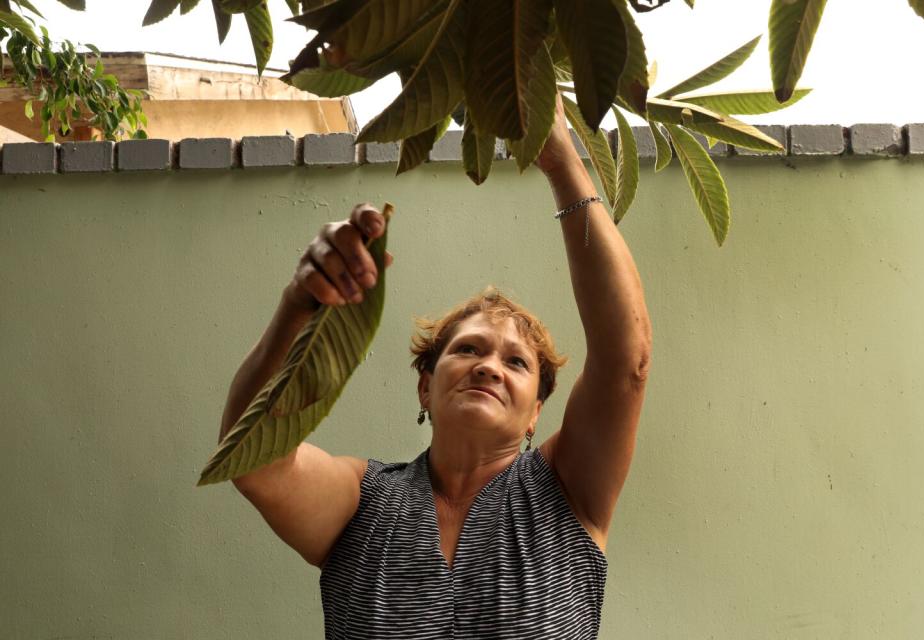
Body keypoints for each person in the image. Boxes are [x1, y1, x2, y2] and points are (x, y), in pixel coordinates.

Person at [220, 94, 653, 639]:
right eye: (468, 349)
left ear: (536, 413)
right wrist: (298, 304)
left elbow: (626, 362)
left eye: (515, 362)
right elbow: (254, 459)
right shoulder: (364, 500)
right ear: (426, 387)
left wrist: (562, 163)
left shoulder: (567, 492)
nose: (489, 367)